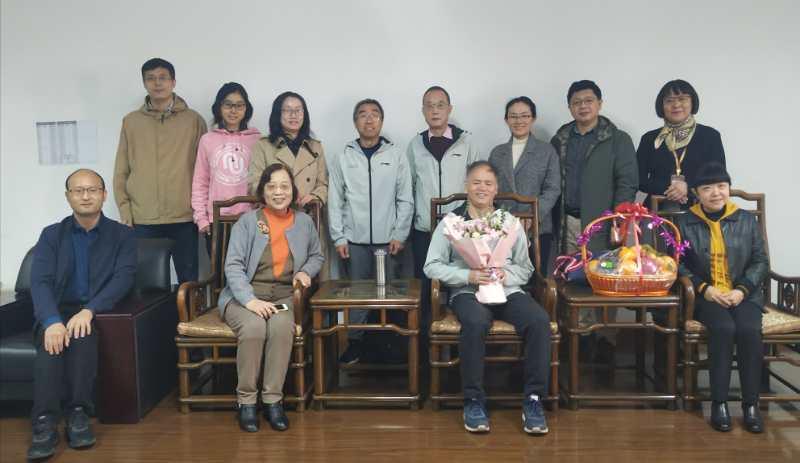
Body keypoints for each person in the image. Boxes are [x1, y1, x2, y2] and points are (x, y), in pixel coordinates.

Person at [424, 161, 551, 435]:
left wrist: (505, 274)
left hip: (508, 290)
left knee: (539, 321)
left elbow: (526, 268)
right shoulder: (452, 223)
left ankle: (533, 399)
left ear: (496, 189)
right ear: (466, 186)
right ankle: (473, 400)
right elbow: (431, 266)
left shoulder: (510, 223)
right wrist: (468, 276)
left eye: (488, 183)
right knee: (476, 322)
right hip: (467, 292)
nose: (482, 188)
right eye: (476, 182)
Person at [27, 169, 137, 460]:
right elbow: (40, 281)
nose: (85, 196)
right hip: (56, 309)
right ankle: (44, 422)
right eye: (78, 191)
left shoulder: (122, 235)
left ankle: (78, 414)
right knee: (51, 342)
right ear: (68, 197)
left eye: (92, 190)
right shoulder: (52, 235)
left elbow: (123, 278)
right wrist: (52, 321)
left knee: (82, 336)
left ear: (104, 194)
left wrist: (89, 310)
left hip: (95, 310)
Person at [218, 164, 324, 433]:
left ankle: (273, 400)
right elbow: (233, 266)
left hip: (284, 295)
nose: (279, 192)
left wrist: (305, 271)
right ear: (263, 191)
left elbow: (317, 256)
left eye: (284, 186)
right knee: (254, 328)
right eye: (272, 186)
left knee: (280, 327)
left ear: (293, 191)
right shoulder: (247, 222)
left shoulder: (304, 222)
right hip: (244, 295)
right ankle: (246, 402)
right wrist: (250, 301)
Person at [676, 162, 768, 433]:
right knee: (724, 328)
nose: (716, 193)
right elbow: (676, 263)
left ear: (728, 188)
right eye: (707, 188)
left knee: (749, 329)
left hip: (744, 294)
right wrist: (706, 289)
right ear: (696, 193)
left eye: (721, 186)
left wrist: (742, 290)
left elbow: (760, 261)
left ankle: (751, 405)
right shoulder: (684, 223)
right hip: (706, 296)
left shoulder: (746, 220)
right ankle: (719, 403)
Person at [551, 80, 638, 362]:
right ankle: (577, 339)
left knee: (605, 279)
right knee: (572, 279)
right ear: (569, 107)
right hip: (568, 221)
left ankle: (604, 340)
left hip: (603, 224)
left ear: (600, 104)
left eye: (588, 100)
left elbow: (627, 182)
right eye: (576, 102)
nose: (583, 106)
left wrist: (618, 219)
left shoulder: (618, 139)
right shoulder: (561, 138)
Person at [329, 98, 413, 364]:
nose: (369, 119)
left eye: (375, 114)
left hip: (389, 241)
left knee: (391, 292)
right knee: (358, 293)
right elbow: (335, 199)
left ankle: (391, 347)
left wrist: (400, 233)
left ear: (382, 121)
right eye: (363, 115)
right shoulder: (343, 156)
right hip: (354, 240)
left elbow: (405, 199)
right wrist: (338, 236)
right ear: (355, 122)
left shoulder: (396, 155)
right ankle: (355, 343)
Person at [113, 57, 207, 283]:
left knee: (189, 282)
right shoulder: (131, 122)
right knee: (145, 284)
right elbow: (121, 170)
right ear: (144, 83)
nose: (157, 83)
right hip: (143, 218)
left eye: (163, 78)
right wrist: (125, 210)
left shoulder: (193, 120)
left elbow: (205, 171)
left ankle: (187, 310)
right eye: (151, 78)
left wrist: (202, 212)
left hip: (184, 216)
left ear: (173, 82)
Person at [406, 85, 483, 342]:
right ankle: (427, 345)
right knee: (426, 287)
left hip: (461, 229)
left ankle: (463, 341)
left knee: (462, 286)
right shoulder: (415, 145)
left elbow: (477, 185)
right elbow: (409, 188)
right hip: (425, 230)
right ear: (423, 111)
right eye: (429, 106)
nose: (435, 110)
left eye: (440, 105)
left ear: (450, 109)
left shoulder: (466, 142)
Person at [248, 91, 329, 278]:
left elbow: (323, 184)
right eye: (287, 110)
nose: (294, 115)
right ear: (278, 114)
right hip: (275, 220)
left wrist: (315, 196)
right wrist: (283, 196)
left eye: (298, 110)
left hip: (310, 218)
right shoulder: (263, 146)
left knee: (315, 277)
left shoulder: (315, 146)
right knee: (280, 276)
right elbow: (254, 183)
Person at [489, 96, 561, 273]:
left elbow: (553, 188)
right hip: (502, 229)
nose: (519, 121)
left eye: (524, 116)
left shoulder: (546, 151)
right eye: (513, 116)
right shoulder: (497, 153)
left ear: (533, 118)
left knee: (536, 279)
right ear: (506, 120)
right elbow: (490, 189)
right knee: (502, 277)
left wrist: (532, 216)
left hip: (537, 229)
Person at [191, 82, 261, 255]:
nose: (233, 110)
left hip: (251, 218)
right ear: (219, 107)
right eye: (228, 104)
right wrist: (201, 218)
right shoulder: (207, 140)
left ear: (246, 109)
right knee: (220, 269)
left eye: (239, 105)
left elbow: (264, 182)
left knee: (251, 268)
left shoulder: (258, 140)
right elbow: (200, 181)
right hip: (216, 219)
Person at [637, 79, 726, 210]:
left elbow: (718, 176)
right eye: (669, 100)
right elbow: (638, 179)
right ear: (661, 106)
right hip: (657, 210)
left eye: (682, 99)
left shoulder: (710, 136)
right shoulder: (650, 139)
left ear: (692, 102)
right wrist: (671, 190)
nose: (676, 104)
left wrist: (688, 187)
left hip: (701, 210)